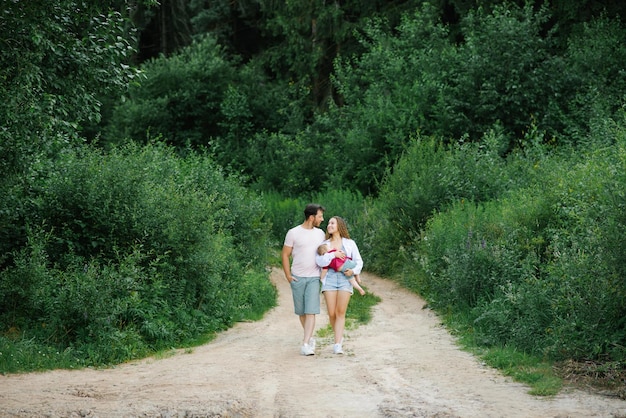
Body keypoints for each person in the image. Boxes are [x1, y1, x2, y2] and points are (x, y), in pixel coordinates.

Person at [282, 203, 326, 356]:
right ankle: (310, 337)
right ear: (311, 217)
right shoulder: (293, 233)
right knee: (301, 312)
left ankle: (306, 343)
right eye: (320, 216)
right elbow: (285, 255)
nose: (322, 219)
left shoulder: (320, 234)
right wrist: (288, 275)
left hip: (314, 277)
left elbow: (325, 252)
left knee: (311, 311)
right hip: (297, 277)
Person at [315, 216, 363, 354]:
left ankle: (337, 344)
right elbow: (320, 261)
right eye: (328, 223)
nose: (329, 225)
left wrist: (353, 271)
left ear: (339, 226)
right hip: (329, 277)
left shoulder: (349, 243)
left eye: (332, 223)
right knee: (331, 312)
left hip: (345, 278)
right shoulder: (325, 244)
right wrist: (333, 255)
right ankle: (338, 336)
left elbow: (359, 261)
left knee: (340, 312)